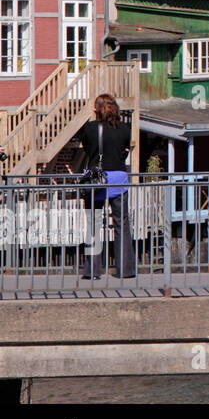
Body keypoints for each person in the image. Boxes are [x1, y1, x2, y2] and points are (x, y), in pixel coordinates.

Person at [76, 93, 135, 280]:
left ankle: (92, 271)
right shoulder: (125, 128)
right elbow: (125, 150)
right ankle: (125, 270)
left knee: (93, 225)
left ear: (97, 109)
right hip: (118, 178)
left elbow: (87, 149)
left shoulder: (90, 128)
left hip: (96, 181)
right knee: (122, 223)